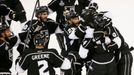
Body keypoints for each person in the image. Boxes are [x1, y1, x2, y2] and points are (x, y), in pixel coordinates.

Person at [63, 10, 84, 75]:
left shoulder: (79, 25)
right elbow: (76, 35)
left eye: (77, 18)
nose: (77, 20)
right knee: (74, 71)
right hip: (72, 53)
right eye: (75, 19)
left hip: (81, 52)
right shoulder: (68, 28)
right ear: (69, 21)